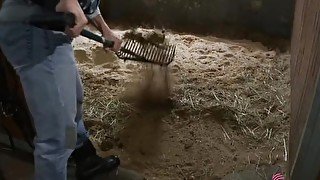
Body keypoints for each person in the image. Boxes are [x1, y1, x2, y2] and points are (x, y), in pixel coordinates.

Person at [0, 0, 142, 179]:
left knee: (73, 105)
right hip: (34, 28)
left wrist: (105, 30)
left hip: (54, 31)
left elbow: (88, 2)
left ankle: (82, 157)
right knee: (56, 136)